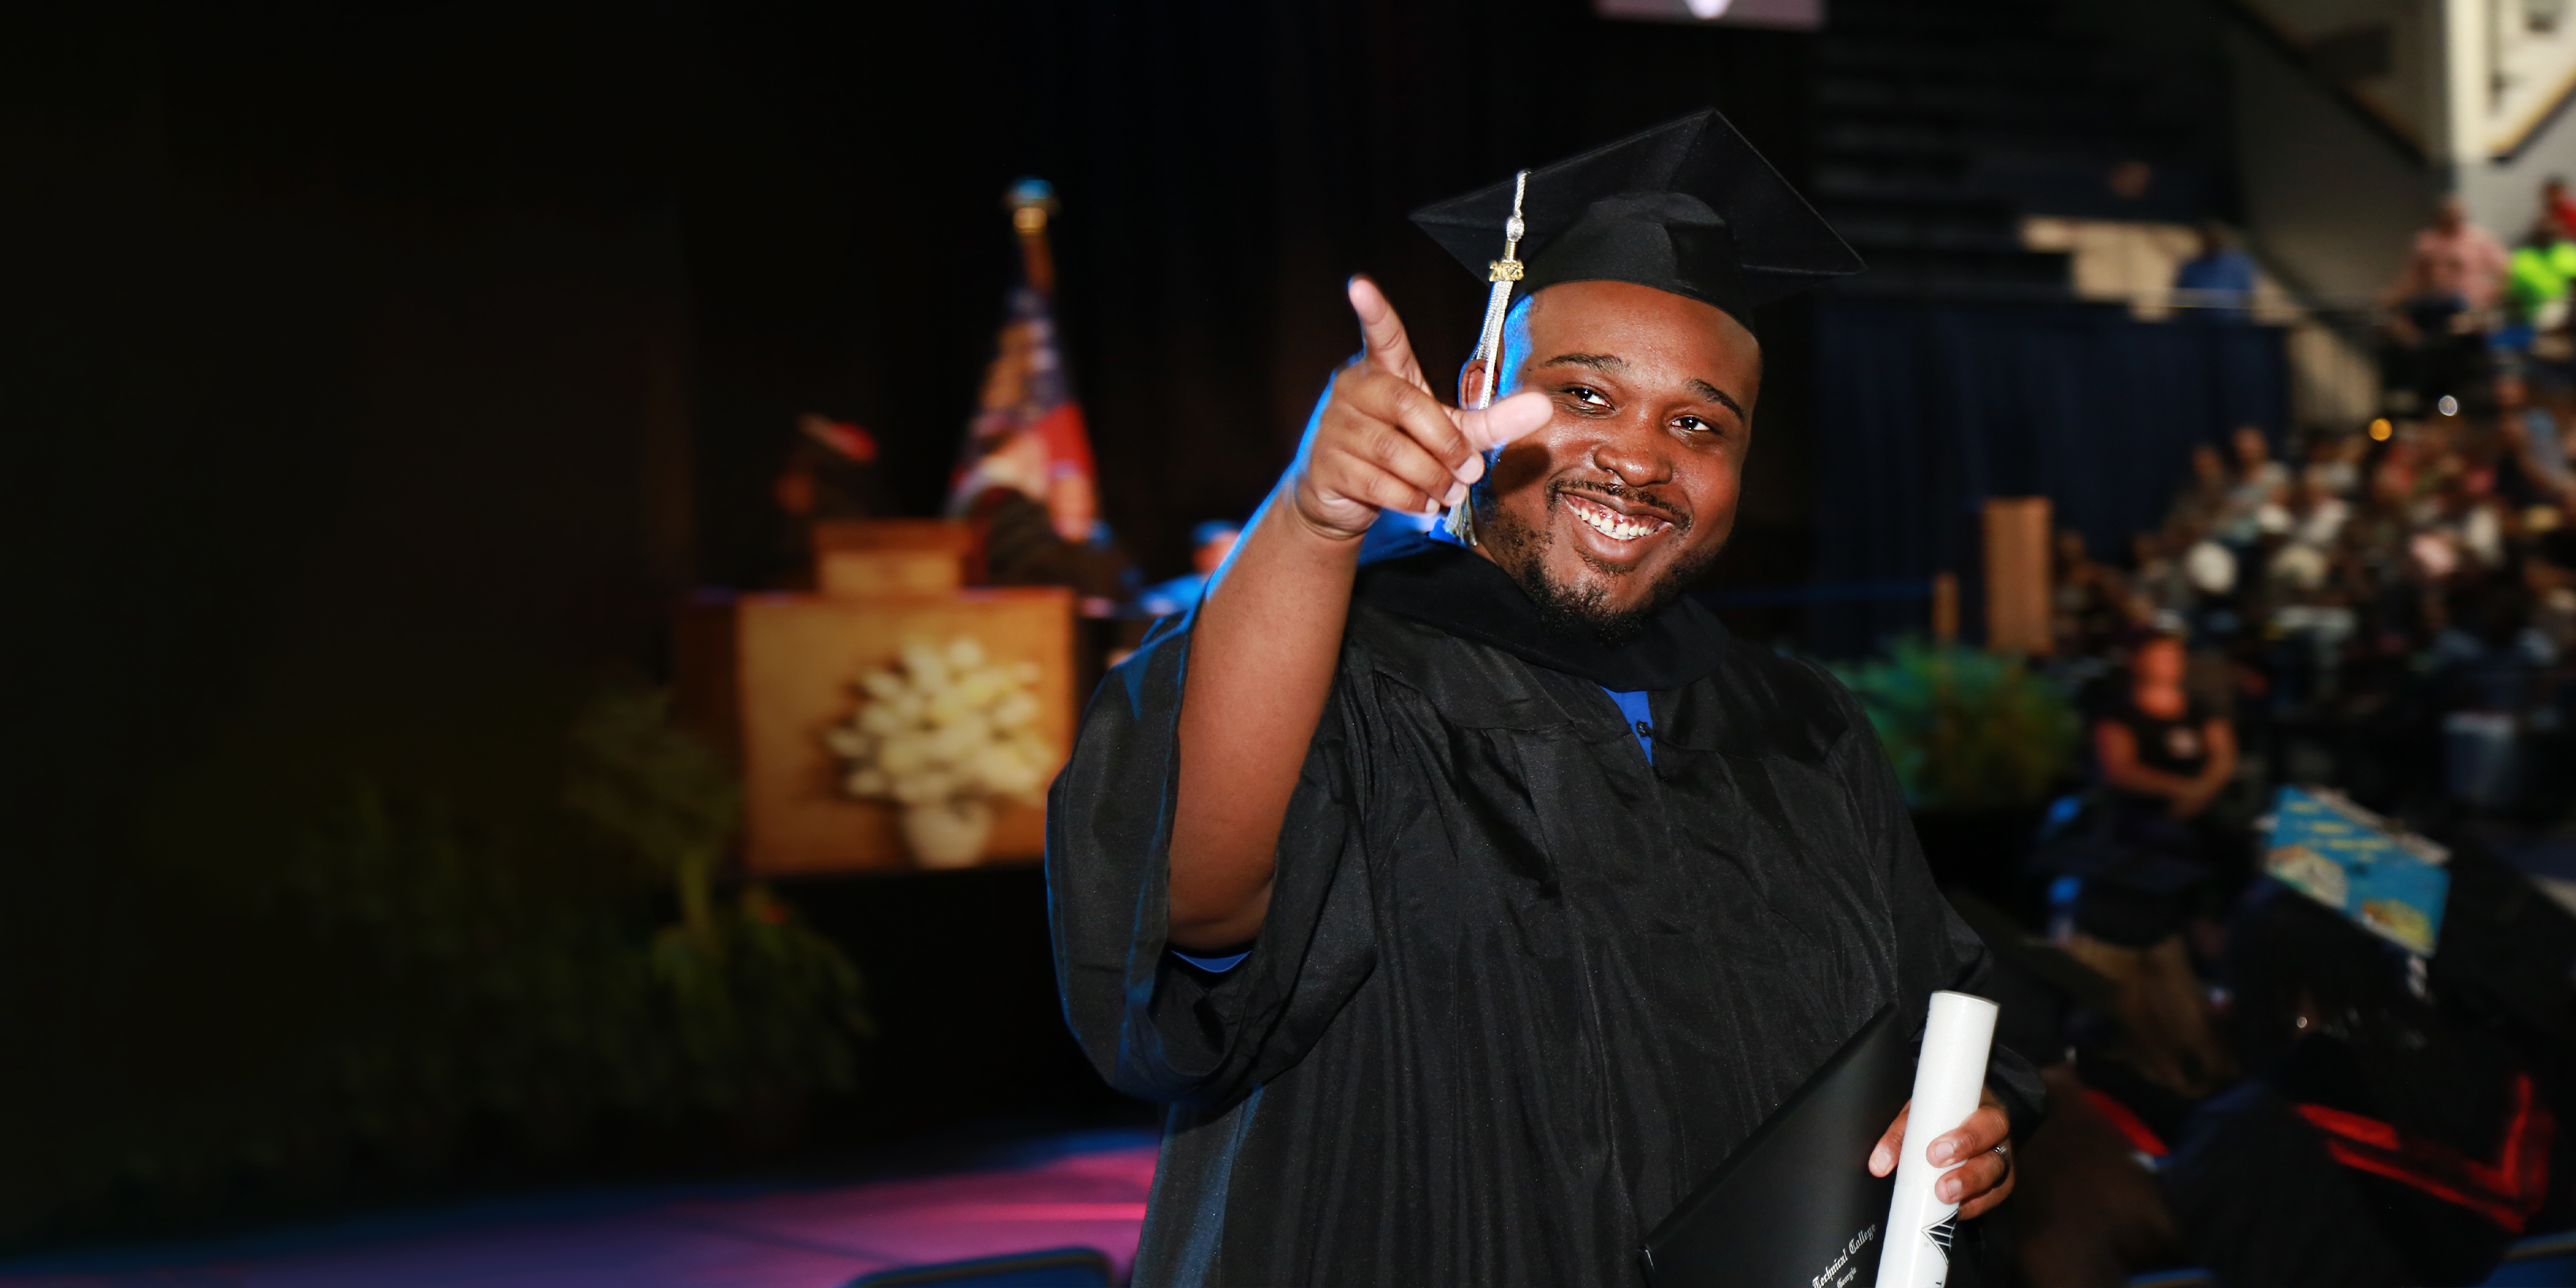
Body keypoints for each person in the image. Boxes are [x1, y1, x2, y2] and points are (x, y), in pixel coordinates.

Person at [1047, 110, 2041, 1285]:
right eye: (1585, 393)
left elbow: (1938, 1014)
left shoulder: (1799, 727)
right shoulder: (1353, 665)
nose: (1639, 455)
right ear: (1479, 388)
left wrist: (1979, 1127)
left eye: (1697, 424)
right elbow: (1191, 909)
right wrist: (1315, 520)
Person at [1136, 519, 1242, 618]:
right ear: (1203, 554)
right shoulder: (1178, 590)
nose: (1236, 555)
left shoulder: (1243, 585)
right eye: (1227, 549)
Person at [2172, 220, 2255, 321]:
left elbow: (2247, 300)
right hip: (2196, 323)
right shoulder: (2190, 267)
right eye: (2208, 238)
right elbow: (2178, 299)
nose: (2212, 241)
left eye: (2215, 237)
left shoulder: (2238, 265)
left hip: (2230, 324)